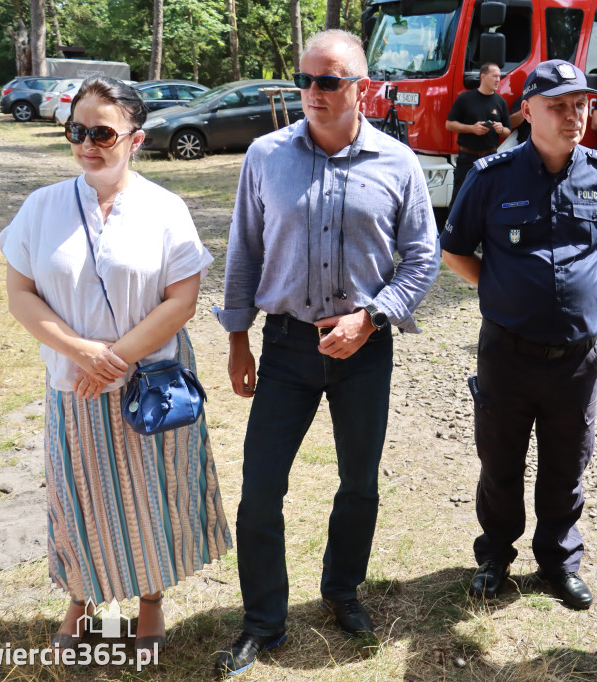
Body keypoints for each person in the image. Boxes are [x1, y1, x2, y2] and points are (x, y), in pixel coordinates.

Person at [213, 30, 439, 676]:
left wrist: (371, 319)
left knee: (358, 486)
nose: (314, 93)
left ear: (360, 87)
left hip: (364, 351)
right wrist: (236, 341)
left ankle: (342, 592)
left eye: (330, 81)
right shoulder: (265, 156)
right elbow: (243, 253)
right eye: (305, 80)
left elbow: (422, 259)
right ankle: (264, 621)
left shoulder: (397, 164)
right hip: (285, 346)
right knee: (260, 490)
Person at [0, 76, 232, 657]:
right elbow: (21, 294)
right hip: (73, 387)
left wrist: (116, 359)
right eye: (77, 130)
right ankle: (82, 601)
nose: (87, 143)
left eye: (102, 132)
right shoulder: (41, 206)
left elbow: (183, 299)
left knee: (153, 496)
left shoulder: (165, 208)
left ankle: (150, 601)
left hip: (148, 387)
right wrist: (84, 354)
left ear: (136, 139)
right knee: (78, 500)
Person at [440, 59, 597, 611]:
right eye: (558, 105)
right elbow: (455, 249)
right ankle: (495, 556)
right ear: (527, 111)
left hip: (576, 358)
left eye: (581, 104)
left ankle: (557, 561)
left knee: (566, 462)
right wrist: (504, 288)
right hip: (507, 352)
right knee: (500, 461)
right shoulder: (491, 176)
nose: (574, 115)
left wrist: (580, 291)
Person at [445, 63, 511, 207]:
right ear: (483, 76)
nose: (498, 80)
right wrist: (472, 128)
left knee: (490, 200)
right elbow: (449, 124)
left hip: (491, 158)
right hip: (468, 158)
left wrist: (501, 129)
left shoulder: (500, 102)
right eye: (494, 76)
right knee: (459, 200)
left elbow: (508, 131)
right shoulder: (466, 98)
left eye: (499, 76)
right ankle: (452, 228)